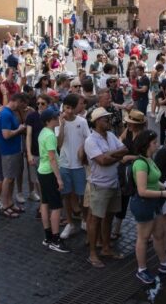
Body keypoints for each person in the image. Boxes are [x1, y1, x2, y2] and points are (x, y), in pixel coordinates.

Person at [131, 129, 166, 284]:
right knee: (143, 237)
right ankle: (142, 269)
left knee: (159, 234)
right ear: (146, 145)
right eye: (154, 142)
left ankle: (164, 263)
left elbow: (153, 180)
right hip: (144, 203)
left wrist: (164, 187)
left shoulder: (149, 159)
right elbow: (142, 190)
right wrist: (163, 193)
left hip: (154, 202)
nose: (157, 145)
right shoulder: (140, 163)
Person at [84, 107, 128, 268]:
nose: (109, 121)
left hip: (113, 183)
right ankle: (92, 254)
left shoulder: (110, 135)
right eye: (105, 119)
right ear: (97, 122)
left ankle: (106, 248)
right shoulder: (90, 141)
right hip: (99, 185)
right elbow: (102, 161)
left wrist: (109, 155)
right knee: (95, 219)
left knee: (108, 217)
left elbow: (125, 149)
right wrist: (116, 156)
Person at [37, 108, 69, 253]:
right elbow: (52, 158)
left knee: (44, 203)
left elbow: (56, 146)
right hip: (49, 173)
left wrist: (61, 125)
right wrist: (59, 178)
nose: (58, 118)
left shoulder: (43, 132)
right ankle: (56, 239)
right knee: (56, 206)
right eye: (56, 117)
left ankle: (48, 237)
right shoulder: (49, 135)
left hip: (42, 171)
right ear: (49, 121)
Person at [59, 93, 90, 239]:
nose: (69, 111)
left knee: (82, 195)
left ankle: (84, 219)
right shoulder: (60, 122)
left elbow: (88, 140)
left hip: (79, 165)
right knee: (66, 195)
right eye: (67, 108)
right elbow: (58, 144)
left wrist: (82, 149)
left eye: (72, 108)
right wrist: (61, 125)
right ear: (64, 108)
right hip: (64, 164)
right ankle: (70, 223)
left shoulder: (82, 122)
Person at [0, 93, 27, 218]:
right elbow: (6, 135)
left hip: (14, 150)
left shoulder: (10, 113)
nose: (22, 107)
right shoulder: (6, 114)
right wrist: (19, 129)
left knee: (11, 178)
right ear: (17, 101)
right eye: (22, 104)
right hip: (8, 151)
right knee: (8, 178)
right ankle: (4, 205)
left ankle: (9, 202)